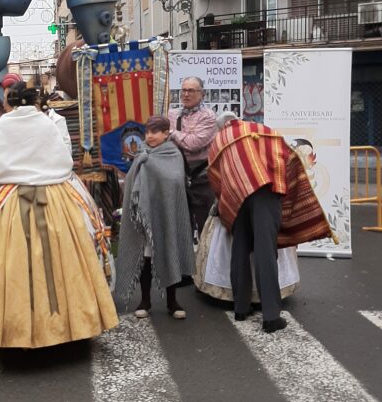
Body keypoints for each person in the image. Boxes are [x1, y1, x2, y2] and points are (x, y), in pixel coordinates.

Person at [0, 82, 118, 349]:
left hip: (11, 198)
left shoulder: (3, 125)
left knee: (7, 262)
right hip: (54, 197)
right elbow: (63, 159)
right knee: (64, 261)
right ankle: (67, 328)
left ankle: (8, 331)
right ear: (33, 100)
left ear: (10, 102)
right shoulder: (46, 122)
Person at [207, 112, 334, 334]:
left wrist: (227, 200)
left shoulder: (219, 140)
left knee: (240, 248)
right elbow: (285, 156)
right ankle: (271, 316)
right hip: (266, 193)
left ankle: (240, 308)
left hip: (237, 198)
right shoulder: (262, 130)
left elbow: (216, 177)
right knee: (266, 250)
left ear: (221, 127)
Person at [114, 115, 195, 320]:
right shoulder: (141, 154)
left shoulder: (173, 154)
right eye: (147, 132)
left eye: (155, 132)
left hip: (167, 215)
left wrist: (150, 167)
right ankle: (145, 301)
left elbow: (175, 182)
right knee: (146, 259)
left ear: (166, 134)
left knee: (170, 253)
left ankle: (172, 301)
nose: (149, 136)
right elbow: (132, 183)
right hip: (145, 219)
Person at [168, 76, 217, 237]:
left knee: (206, 228)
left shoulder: (208, 116)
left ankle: (206, 261)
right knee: (180, 227)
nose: (186, 94)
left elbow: (193, 144)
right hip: (178, 177)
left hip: (203, 179)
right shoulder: (172, 114)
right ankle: (184, 261)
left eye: (191, 90)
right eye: (183, 90)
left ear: (201, 94)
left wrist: (173, 133)